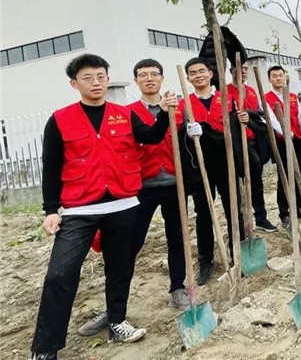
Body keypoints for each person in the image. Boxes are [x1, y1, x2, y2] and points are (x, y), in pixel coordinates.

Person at [30, 54, 177, 360]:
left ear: (108, 79)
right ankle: (45, 348)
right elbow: (52, 167)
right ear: (74, 83)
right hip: (79, 209)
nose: (96, 83)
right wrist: (50, 210)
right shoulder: (59, 119)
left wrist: (163, 113)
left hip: (122, 205)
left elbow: (150, 138)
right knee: (60, 274)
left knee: (120, 268)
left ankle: (116, 321)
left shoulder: (122, 115)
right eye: (88, 78)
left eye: (101, 76)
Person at [77, 59, 188, 339]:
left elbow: (186, 142)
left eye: (154, 74)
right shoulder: (125, 113)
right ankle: (114, 309)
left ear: (162, 79)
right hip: (142, 187)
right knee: (128, 246)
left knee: (177, 237)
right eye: (143, 75)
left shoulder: (178, 109)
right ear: (136, 80)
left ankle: (178, 287)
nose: (149, 79)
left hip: (175, 182)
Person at [175, 57, 244, 286]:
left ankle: (238, 253)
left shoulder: (227, 98)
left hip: (226, 164)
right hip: (199, 168)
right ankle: (206, 261)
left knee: (234, 209)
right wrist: (187, 130)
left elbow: (234, 129)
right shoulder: (184, 103)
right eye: (192, 73)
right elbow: (175, 133)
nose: (198, 75)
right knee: (204, 214)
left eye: (201, 71)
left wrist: (240, 120)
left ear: (210, 73)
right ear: (188, 78)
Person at [227, 61, 280, 233]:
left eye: (245, 69)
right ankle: (240, 222)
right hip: (234, 145)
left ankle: (261, 218)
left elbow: (259, 115)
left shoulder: (250, 91)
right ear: (231, 70)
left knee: (256, 181)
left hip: (252, 141)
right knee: (237, 185)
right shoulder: (225, 91)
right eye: (239, 68)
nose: (242, 72)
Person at [264, 65, 301, 230]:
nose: (278, 78)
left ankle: (298, 207)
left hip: (296, 139)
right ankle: (284, 213)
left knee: (299, 175)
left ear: (285, 77)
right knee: (284, 177)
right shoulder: (266, 98)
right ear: (270, 79)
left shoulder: (291, 96)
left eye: (280, 75)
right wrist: (284, 130)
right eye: (274, 76)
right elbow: (271, 119)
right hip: (280, 141)